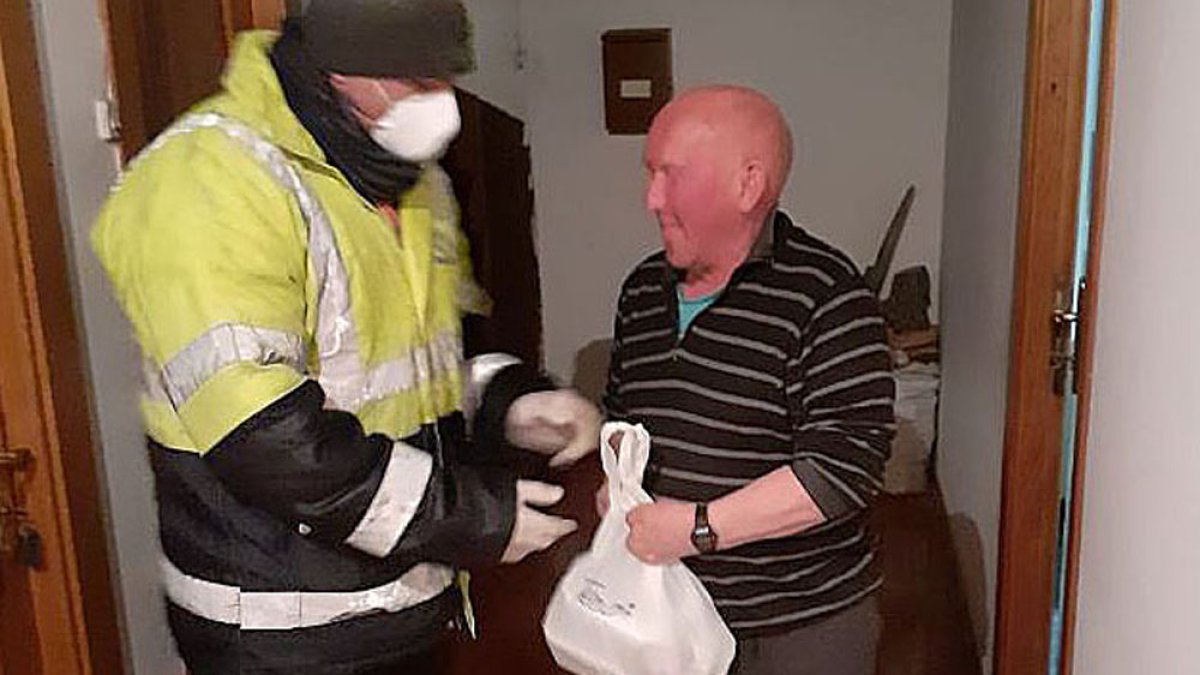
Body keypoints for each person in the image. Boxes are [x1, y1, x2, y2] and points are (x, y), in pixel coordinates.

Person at [91, 1, 600, 672]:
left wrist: (509, 400)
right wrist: (467, 516)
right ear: (337, 67)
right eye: (417, 79)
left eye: (448, 76)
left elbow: (420, 365)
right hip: (282, 631)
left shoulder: (411, 180)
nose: (443, 103)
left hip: (405, 600)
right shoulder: (209, 181)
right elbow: (265, 437)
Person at [602, 85, 896, 675]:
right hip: (664, 609)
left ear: (748, 185)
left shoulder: (829, 296)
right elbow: (622, 413)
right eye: (649, 175)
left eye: (671, 175)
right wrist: (615, 480)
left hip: (798, 624)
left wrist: (698, 529)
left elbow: (843, 469)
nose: (651, 199)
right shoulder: (641, 290)